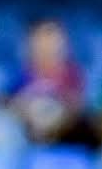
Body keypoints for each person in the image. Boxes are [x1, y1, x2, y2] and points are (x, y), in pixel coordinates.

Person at [6, 18, 94, 147]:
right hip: (27, 137)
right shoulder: (20, 75)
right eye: (40, 39)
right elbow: (7, 103)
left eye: (51, 39)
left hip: (65, 138)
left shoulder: (72, 74)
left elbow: (78, 105)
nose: (46, 46)